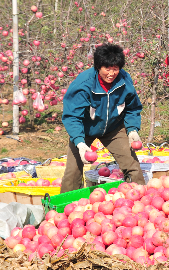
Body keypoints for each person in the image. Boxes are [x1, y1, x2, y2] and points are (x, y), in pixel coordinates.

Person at [60, 43, 145, 192]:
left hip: (113, 128)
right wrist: (79, 143)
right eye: (107, 68)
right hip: (85, 130)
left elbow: (132, 107)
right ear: (98, 67)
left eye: (115, 69)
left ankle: (139, 200)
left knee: (132, 166)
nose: (111, 73)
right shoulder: (84, 84)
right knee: (72, 173)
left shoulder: (124, 81)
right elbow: (72, 116)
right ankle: (66, 208)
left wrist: (132, 130)